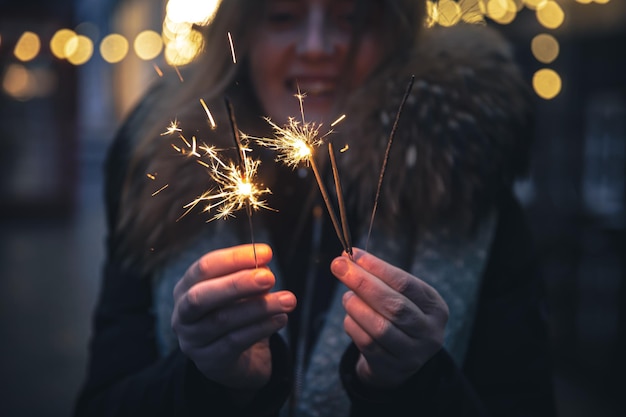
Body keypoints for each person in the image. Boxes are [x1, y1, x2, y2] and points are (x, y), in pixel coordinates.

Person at [74, 0, 556, 416]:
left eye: (350, 19)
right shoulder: (160, 186)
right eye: (283, 16)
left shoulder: (465, 184)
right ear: (240, 32)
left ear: (394, 32)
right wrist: (204, 383)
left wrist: (418, 385)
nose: (318, 47)